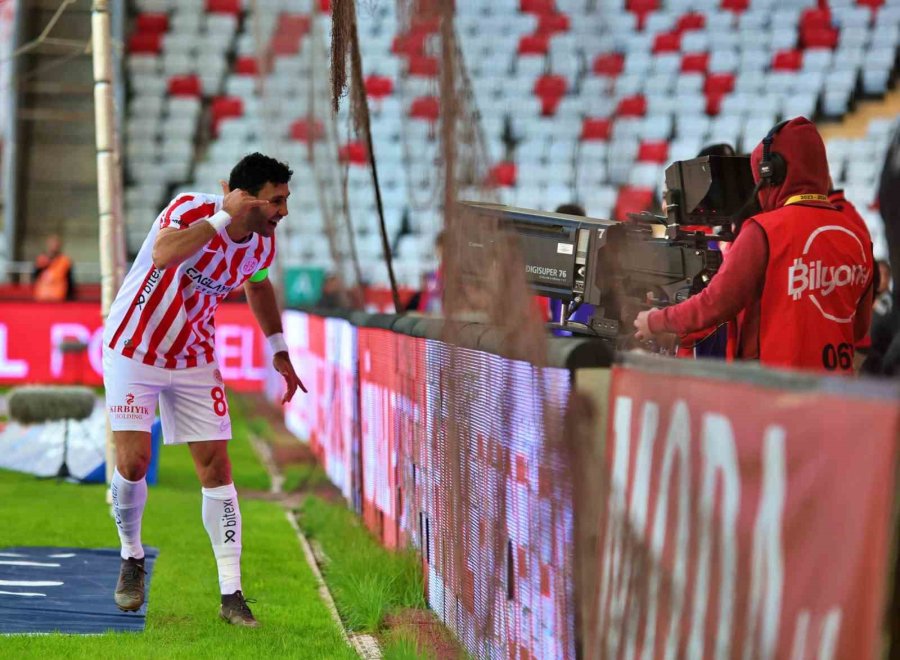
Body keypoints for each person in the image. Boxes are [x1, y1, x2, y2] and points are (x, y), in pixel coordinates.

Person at [102, 153, 306, 626]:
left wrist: (278, 348)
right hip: (134, 346)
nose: (283, 211)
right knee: (133, 463)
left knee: (217, 468)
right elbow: (164, 254)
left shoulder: (261, 245)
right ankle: (131, 556)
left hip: (194, 356)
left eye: (285, 200)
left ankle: (231, 594)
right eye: (276, 201)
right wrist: (221, 218)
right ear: (247, 198)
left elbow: (258, 286)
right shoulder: (191, 208)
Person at [634, 117, 875, 374]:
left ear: (772, 172)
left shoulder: (763, 230)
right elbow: (859, 328)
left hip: (775, 387)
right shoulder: (857, 234)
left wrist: (655, 320)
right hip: (837, 386)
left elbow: (715, 303)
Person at [33, 234, 75, 301]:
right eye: (52, 244)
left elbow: (70, 281)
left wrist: (70, 296)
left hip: (59, 297)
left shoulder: (65, 261)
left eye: (56, 244)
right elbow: (34, 276)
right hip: (42, 297)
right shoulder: (41, 259)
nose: (53, 247)